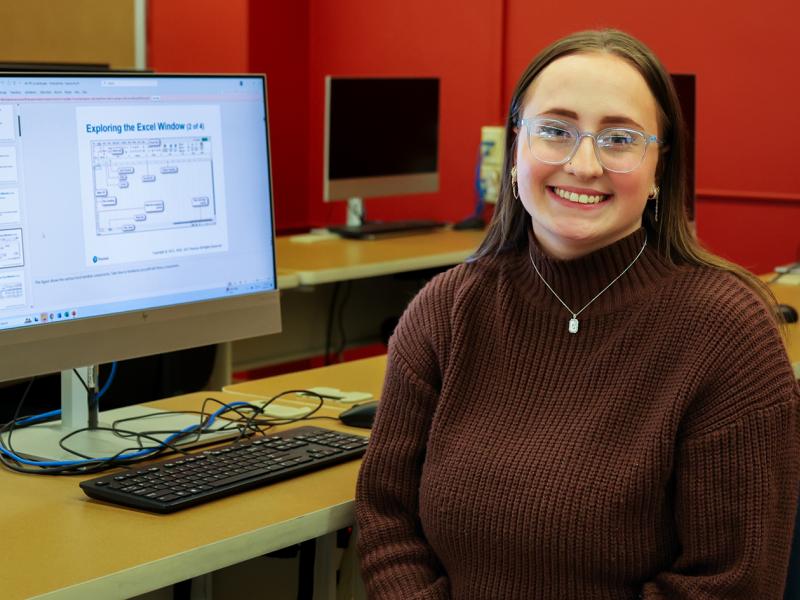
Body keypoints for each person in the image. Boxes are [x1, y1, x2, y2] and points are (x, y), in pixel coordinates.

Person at [354, 28, 800, 599]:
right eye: (556, 131)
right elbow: (387, 517)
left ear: (661, 168)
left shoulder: (726, 332)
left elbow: (730, 585)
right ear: (516, 149)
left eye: (618, 139)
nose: (582, 164)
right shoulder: (447, 309)